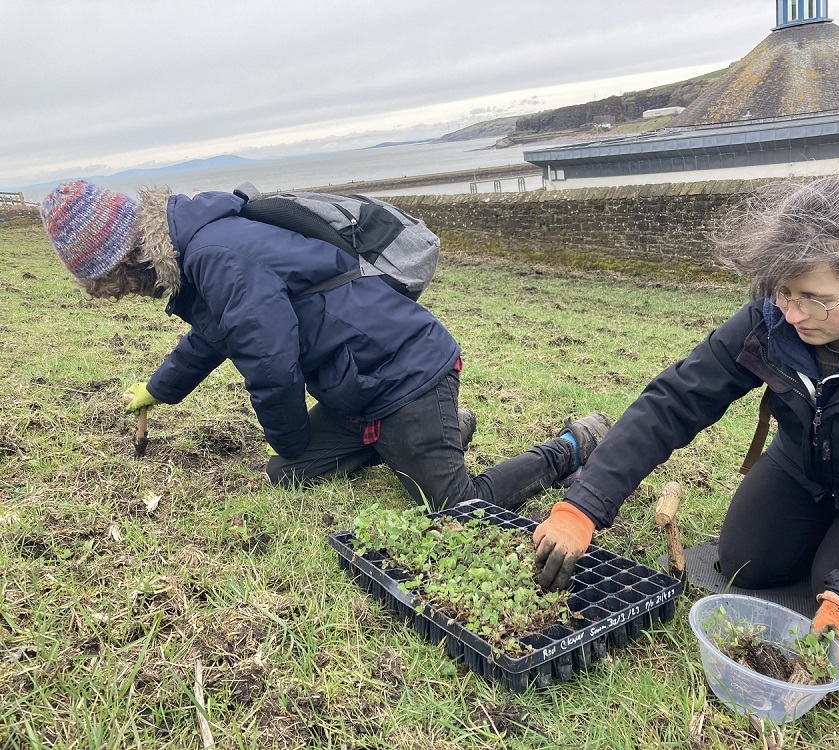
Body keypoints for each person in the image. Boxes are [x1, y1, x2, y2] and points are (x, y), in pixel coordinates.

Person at [532, 133, 839, 651]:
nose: (793, 314)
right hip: (803, 467)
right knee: (744, 565)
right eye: (783, 291)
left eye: (816, 300)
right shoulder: (774, 317)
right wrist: (585, 506)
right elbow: (676, 399)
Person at [39, 180, 612, 511]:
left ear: (126, 257)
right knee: (289, 473)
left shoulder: (215, 255)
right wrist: (158, 391)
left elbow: (271, 362)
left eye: (110, 283)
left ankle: (572, 445)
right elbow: (213, 333)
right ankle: (445, 430)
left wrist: (289, 435)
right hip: (358, 383)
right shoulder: (198, 249)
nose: (121, 295)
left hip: (405, 370)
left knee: (455, 507)